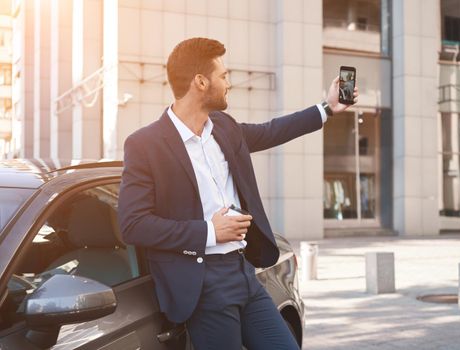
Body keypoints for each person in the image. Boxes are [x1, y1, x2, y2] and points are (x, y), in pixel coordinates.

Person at [118, 37, 358, 349]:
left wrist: (328, 108)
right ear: (201, 82)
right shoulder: (145, 144)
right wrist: (207, 231)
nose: (228, 83)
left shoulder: (224, 127)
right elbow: (132, 224)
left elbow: (271, 130)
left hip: (243, 271)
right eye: (224, 76)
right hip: (202, 284)